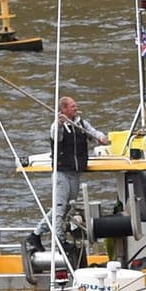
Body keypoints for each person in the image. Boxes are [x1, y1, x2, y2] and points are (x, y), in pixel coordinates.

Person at [43, 96, 109, 244]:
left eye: (75, 105)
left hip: (75, 171)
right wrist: (60, 124)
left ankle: (37, 233)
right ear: (64, 109)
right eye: (72, 106)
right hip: (62, 172)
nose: (76, 107)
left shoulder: (81, 123)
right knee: (60, 208)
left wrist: (101, 138)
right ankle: (59, 240)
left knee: (68, 206)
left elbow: (94, 133)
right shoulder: (56, 126)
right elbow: (57, 138)